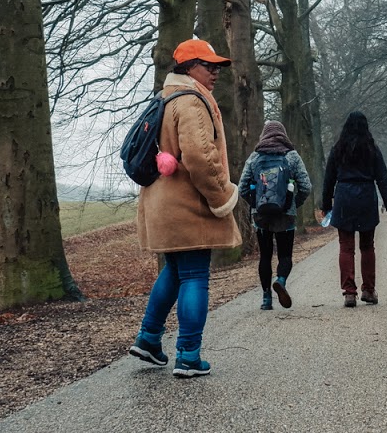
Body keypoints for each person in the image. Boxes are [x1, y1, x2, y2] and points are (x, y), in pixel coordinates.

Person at [130, 38, 242, 378]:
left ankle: (149, 339)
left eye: (217, 67)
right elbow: (200, 158)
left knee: (175, 272)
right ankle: (189, 355)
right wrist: (221, 197)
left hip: (161, 203)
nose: (215, 73)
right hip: (188, 204)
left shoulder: (163, 99)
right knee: (195, 275)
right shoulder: (192, 102)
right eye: (209, 67)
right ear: (189, 68)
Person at [319, 111, 387, 308]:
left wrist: (326, 205)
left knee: (346, 246)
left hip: (344, 196)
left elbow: (329, 179)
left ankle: (349, 293)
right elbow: (382, 179)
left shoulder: (338, 149)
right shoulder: (372, 149)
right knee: (367, 245)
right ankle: (369, 290)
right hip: (366, 197)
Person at [237, 120, 312, 310]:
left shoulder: (255, 157)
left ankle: (266, 299)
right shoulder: (292, 156)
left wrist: (255, 204)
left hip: (261, 217)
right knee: (285, 255)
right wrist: (294, 203)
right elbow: (306, 186)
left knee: (265, 256)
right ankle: (280, 280)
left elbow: (242, 187)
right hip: (286, 214)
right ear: (283, 135)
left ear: (264, 135)